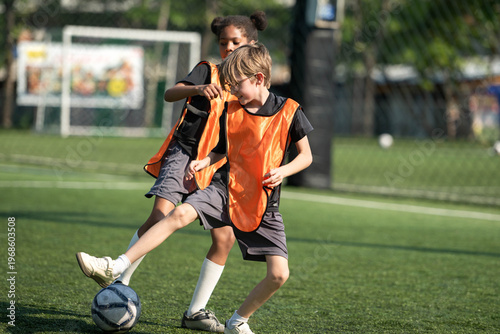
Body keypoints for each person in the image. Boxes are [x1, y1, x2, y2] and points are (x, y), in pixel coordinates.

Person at [76, 43, 313, 334]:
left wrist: (283, 171)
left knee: (279, 275)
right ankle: (116, 265)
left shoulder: (290, 111)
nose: (233, 92)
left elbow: (306, 156)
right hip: (225, 189)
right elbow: (224, 150)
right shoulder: (231, 110)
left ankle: (238, 320)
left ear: (259, 79)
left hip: (262, 203)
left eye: (237, 85)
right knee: (177, 215)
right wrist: (204, 162)